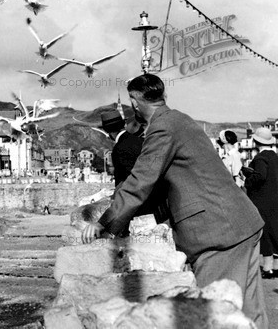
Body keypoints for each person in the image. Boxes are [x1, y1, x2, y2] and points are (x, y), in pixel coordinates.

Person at [81, 74, 267, 328]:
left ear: (135, 102)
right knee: (249, 314)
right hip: (242, 223)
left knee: (215, 316)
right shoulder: (180, 119)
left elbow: (142, 179)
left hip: (219, 234)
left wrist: (106, 222)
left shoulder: (163, 128)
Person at [243, 127, 278, 279]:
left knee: (265, 235)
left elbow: (260, 176)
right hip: (275, 200)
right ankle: (276, 267)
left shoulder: (260, 158)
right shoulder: (276, 157)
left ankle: (268, 268)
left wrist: (247, 179)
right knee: (276, 232)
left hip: (262, 201)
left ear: (256, 141)